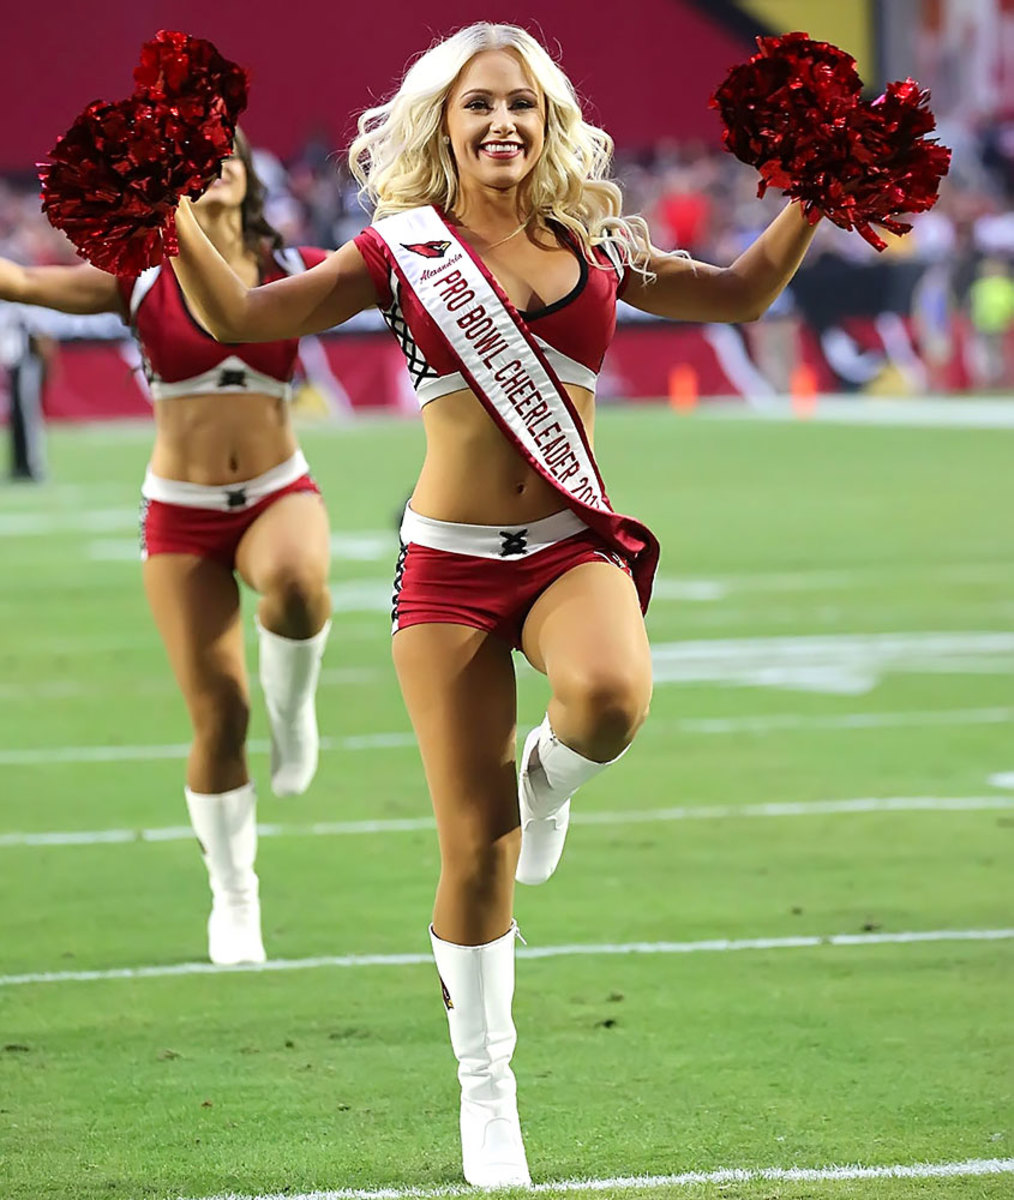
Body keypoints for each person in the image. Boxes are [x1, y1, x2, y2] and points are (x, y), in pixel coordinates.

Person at [167, 23, 822, 1185]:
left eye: (519, 104)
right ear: (443, 125)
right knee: (477, 855)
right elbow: (248, 319)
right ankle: (488, 1093)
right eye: (477, 107)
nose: (501, 124)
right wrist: (166, 204)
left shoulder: (599, 242)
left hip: (569, 547)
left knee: (612, 700)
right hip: (453, 567)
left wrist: (819, 191)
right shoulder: (399, 250)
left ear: (549, 117)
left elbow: (742, 290)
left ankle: (549, 769)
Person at [0, 130, 334, 966]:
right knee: (218, 716)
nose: (216, 167)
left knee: (296, 584)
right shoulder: (142, 275)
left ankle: (296, 718)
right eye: (194, 161)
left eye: (230, 154)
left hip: (275, 489)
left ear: (252, 176)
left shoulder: (298, 262)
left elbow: (406, 275)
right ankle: (235, 894)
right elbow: (22, 281)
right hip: (180, 513)